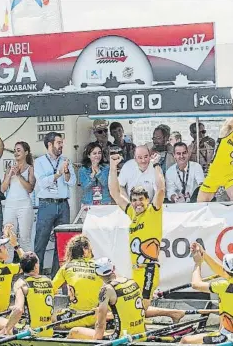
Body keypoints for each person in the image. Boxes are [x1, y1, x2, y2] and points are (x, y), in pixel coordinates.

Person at [108, 151, 184, 322]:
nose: (137, 203)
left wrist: (156, 165)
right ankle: (175, 314)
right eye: (134, 200)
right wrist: (113, 168)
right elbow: (114, 192)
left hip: (149, 269)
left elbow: (161, 188)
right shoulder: (132, 213)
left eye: (141, 200)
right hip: (136, 271)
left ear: (147, 200)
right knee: (137, 308)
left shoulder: (153, 211)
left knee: (139, 309)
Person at [180, 252, 233, 344]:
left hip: (228, 336)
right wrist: (204, 254)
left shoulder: (224, 286)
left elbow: (195, 285)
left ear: (224, 269)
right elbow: (223, 272)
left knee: (185, 340)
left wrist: (197, 263)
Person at [67, 257, 146, 340]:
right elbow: (130, 311)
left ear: (98, 274)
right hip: (142, 334)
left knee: (74, 331)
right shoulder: (132, 281)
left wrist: (95, 340)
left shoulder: (106, 290)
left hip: (121, 338)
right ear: (114, 268)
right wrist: (103, 313)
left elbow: (100, 326)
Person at [34, 132, 76, 277]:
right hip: (47, 205)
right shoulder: (39, 162)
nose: (61, 146)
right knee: (41, 241)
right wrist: (57, 174)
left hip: (63, 204)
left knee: (62, 243)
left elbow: (72, 182)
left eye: (62, 143)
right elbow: (42, 183)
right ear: (50, 144)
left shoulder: (65, 160)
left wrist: (66, 173)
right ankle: (36, 277)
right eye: (58, 143)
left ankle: (57, 278)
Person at [0, 252, 55, 337]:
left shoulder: (21, 284)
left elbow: (18, 310)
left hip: (30, 333)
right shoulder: (49, 281)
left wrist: (6, 329)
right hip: (48, 331)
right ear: (36, 266)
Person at [52, 235, 102, 329]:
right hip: (97, 317)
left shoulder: (67, 267)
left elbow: (50, 289)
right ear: (85, 250)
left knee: (50, 318)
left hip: (74, 317)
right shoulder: (100, 266)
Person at [1, 141, 35, 262]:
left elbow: (30, 188)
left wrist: (19, 175)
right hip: (10, 205)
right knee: (8, 237)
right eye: (15, 150)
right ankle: (8, 268)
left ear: (26, 152)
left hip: (24, 206)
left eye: (19, 150)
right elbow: (3, 188)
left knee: (25, 239)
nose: (16, 152)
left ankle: (29, 267)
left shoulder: (30, 168)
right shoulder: (10, 168)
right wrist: (10, 174)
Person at [79, 142, 112, 207]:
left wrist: (98, 171)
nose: (97, 155)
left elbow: (106, 184)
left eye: (99, 153)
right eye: (94, 153)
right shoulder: (83, 169)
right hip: (88, 203)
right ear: (88, 155)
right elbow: (84, 187)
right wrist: (92, 175)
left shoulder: (106, 168)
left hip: (104, 202)